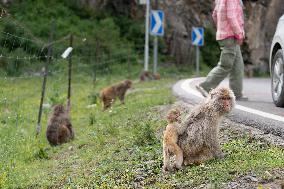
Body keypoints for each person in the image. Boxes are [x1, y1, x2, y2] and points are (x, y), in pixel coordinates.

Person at [196, 0, 248, 101]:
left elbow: (215, 15)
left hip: (226, 35)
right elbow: (231, 16)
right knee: (226, 65)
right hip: (230, 36)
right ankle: (205, 86)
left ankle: (236, 93)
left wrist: (221, 28)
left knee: (238, 65)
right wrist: (239, 34)